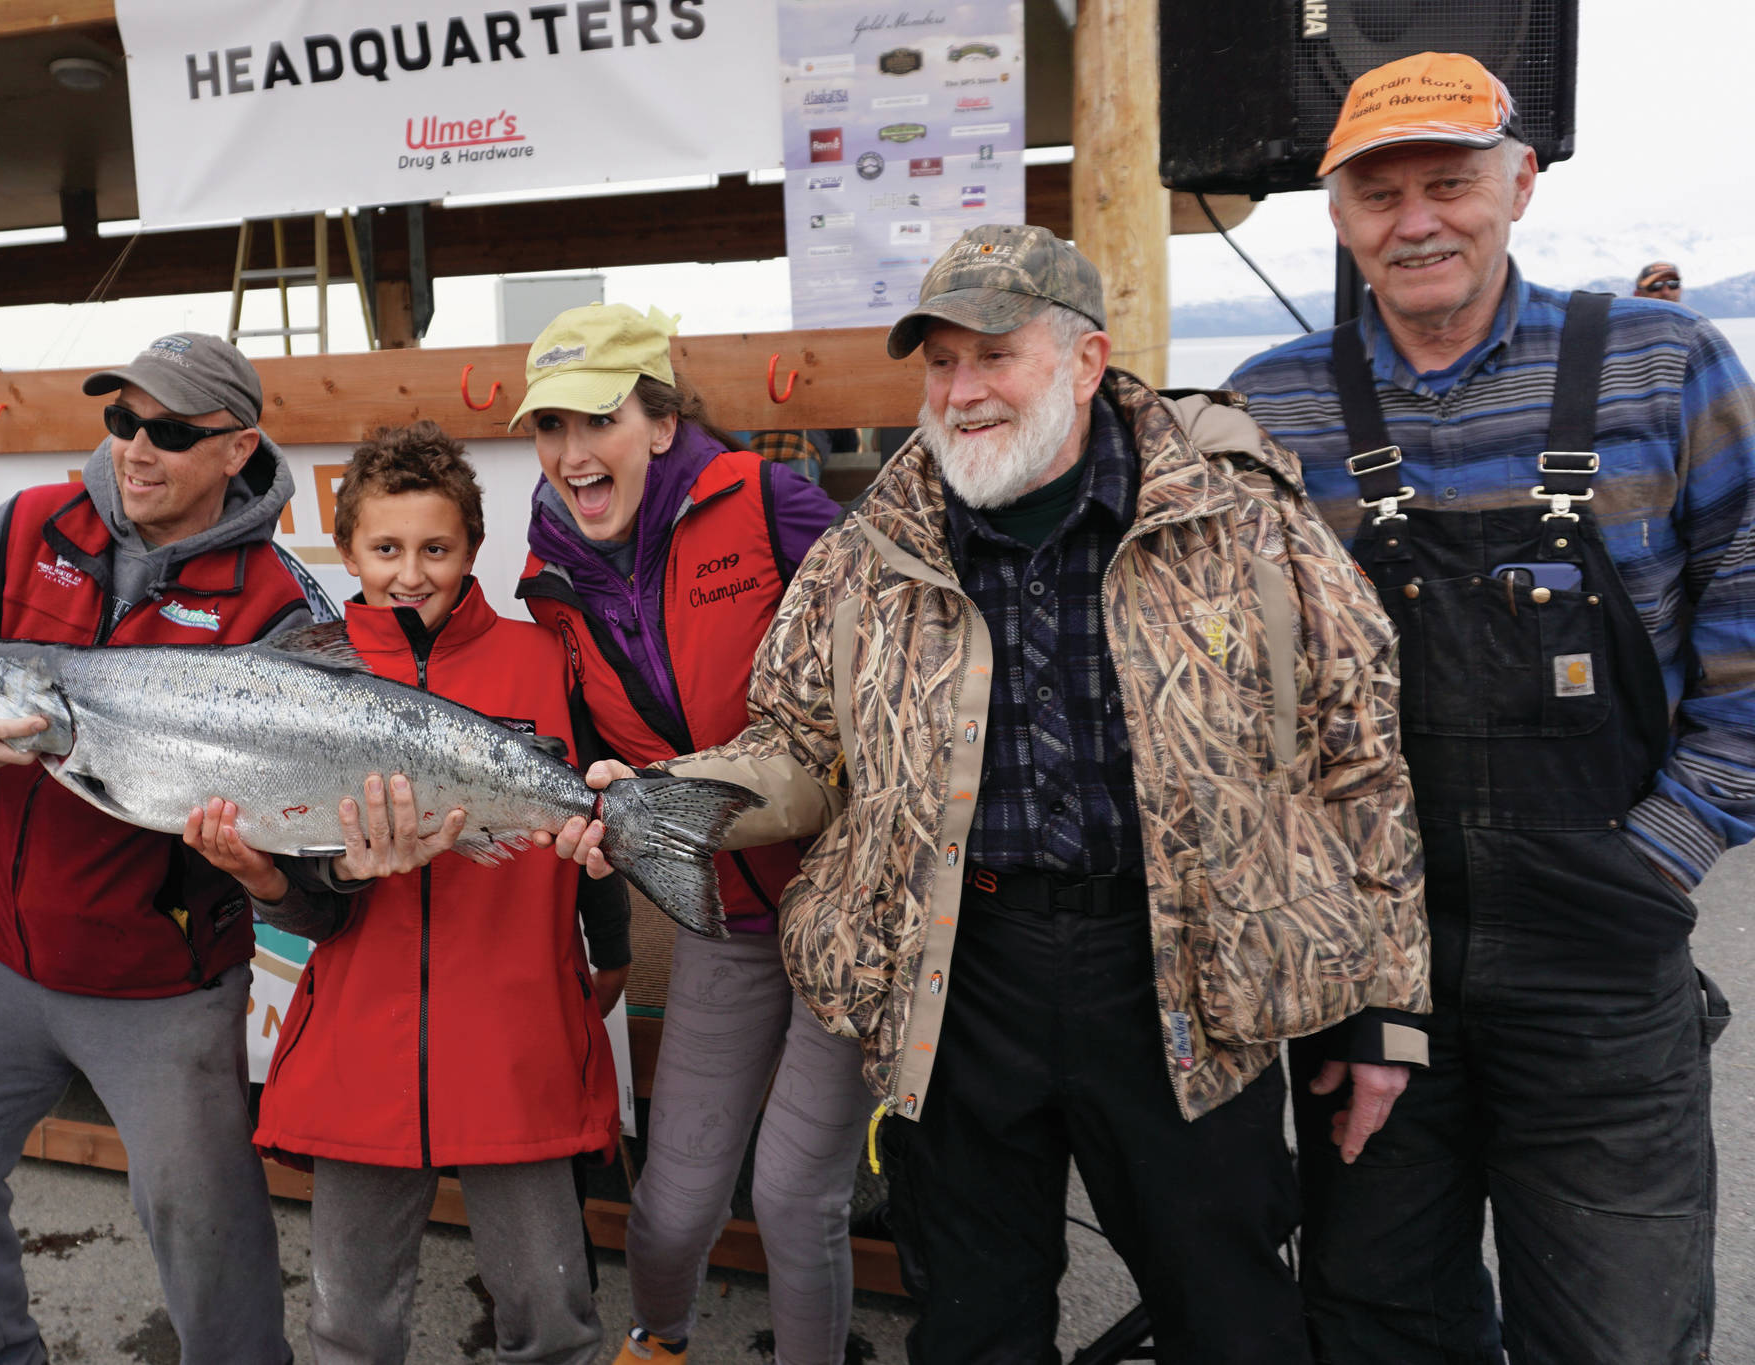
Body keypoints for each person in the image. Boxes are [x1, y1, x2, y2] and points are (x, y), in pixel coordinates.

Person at [552, 224, 1430, 1365]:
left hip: (1182, 980)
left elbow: (1357, 762)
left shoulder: (1242, 526)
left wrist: (1383, 1010)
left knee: (1224, 1312)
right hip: (958, 980)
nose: (960, 393)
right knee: (971, 1319)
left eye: (993, 357)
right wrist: (660, 796)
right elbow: (795, 747)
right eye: (938, 364)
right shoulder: (869, 557)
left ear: (1082, 358)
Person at [1227, 51, 1753, 1365]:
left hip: (1599, 953)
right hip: (1374, 970)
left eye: (1449, 182)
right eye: (1379, 192)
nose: (1416, 220)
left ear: (1518, 184)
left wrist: (1654, 861)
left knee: (1619, 1334)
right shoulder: (1269, 407)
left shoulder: (1662, 367)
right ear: (1337, 214)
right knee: (1381, 1322)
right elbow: (1235, 700)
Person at [0, 333, 310, 1364]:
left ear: (237, 448)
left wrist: (269, 869)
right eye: (120, 420)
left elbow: (314, 862)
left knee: (210, 1244)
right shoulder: (24, 527)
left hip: (159, 981)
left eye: (167, 431)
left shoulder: (276, 603)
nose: (133, 450)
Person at [182, 422, 628, 1365]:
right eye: (385, 549)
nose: (410, 572)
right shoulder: (298, 673)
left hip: (519, 1040)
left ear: (472, 547)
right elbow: (310, 905)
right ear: (346, 552)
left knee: (552, 1315)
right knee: (349, 1323)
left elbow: (596, 813)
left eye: (435, 547)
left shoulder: (546, 659)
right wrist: (275, 874)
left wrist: (611, 946)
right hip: (359, 1046)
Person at [507, 303, 851, 1365]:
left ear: (657, 422)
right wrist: (589, 821)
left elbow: (895, 683)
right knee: (669, 1205)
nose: (570, 453)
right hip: (724, 917)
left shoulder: (767, 503)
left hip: (847, 913)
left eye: (594, 421)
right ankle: (659, 1341)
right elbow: (578, 753)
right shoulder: (551, 573)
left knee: (795, 1200)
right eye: (547, 427)